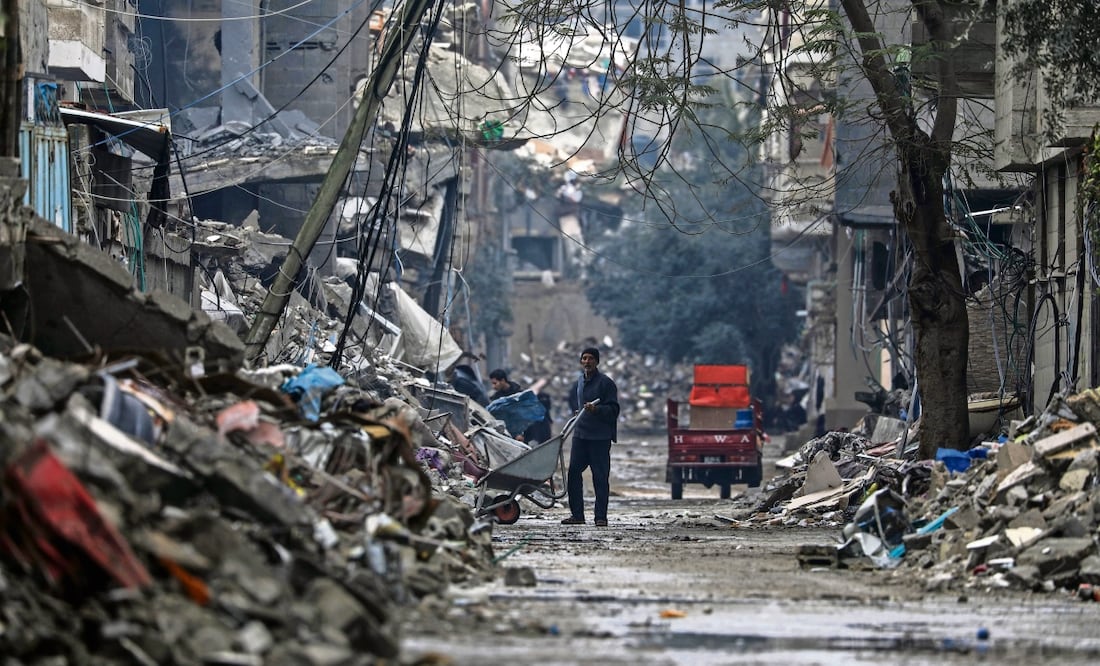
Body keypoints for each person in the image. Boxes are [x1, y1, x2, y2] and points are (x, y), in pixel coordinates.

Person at [562, 347, 619, 527]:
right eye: (584, 358)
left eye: (591, 358)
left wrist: (597, 410)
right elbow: (575, 403)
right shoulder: (579, 382)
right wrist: (578, 411)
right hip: (580, 435)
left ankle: (600, 517)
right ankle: (577, 515)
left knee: (600, 477)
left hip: (599, 438)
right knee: (573, 473)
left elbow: (614, 410)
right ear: (581, 361)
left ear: (597, 362)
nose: (587, 362)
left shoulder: (606, 383)